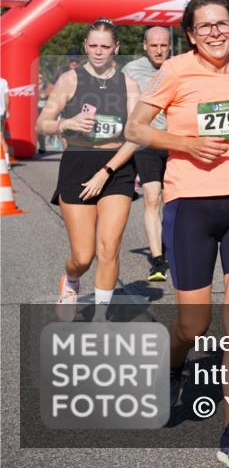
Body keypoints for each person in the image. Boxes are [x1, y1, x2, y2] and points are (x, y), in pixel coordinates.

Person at [124, 0, 229, 467]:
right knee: (194, 324)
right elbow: (136, 129)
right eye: (203, 27)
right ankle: (173, 364)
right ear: (191, 34)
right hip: (190, 203)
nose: (214, 32)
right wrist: (186, 143)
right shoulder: (174, 70)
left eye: (223, 24)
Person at [35, 20, 140, 321]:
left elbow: (135, 136)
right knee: (83, 256)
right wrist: (64, 124)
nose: (98, 51)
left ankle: (99, 320)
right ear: (85, 45)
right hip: (78, 166)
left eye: (105, 46)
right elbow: (41, 123)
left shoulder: (128, 85)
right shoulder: (70, 80)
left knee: (109, 247)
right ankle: (70, 281)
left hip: (115, 168)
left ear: (116, 49)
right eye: (93, 45)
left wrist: (107, 170)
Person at [122, 26, 172, 281]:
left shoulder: (179, 68)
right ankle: (157, 260)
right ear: (145, 46)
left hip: (176, 143)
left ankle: (175, 247)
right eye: (154, 45)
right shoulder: (131, 70)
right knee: (153, 197)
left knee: (176, 202)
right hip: (147, 144)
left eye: (163, 45)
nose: (159, 50)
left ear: (170, 46)